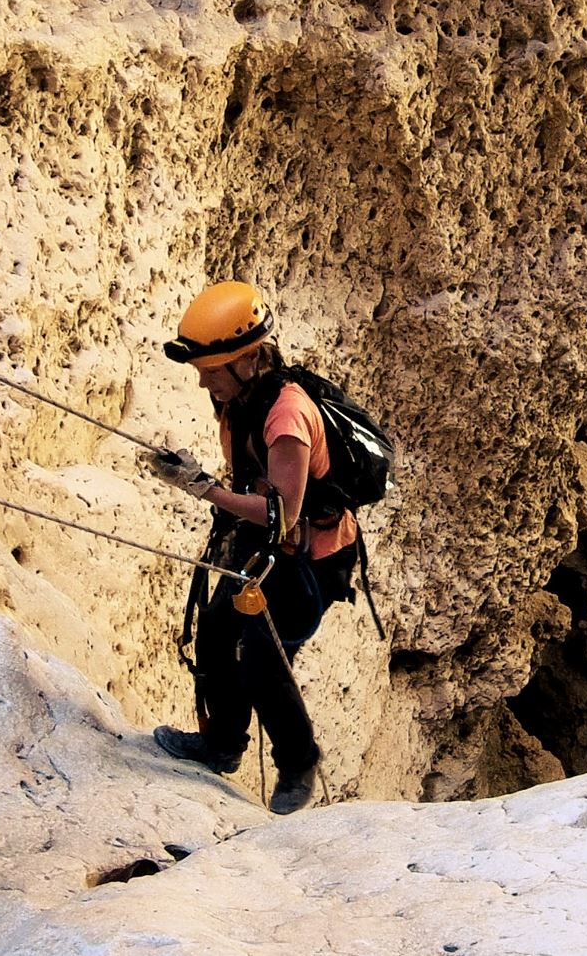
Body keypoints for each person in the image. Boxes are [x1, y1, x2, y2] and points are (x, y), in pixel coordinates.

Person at [147, 280, 361, 815]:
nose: (203, 383)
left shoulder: (286, 415)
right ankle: (223, 744)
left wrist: (203, 489)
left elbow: (281, 513)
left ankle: (298, 762)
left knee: (264, 660)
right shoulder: (241, 401)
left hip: (311, 557)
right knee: (218, 628)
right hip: (267, 547)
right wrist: (208, 484)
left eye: (210, 371)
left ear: (245, 360)